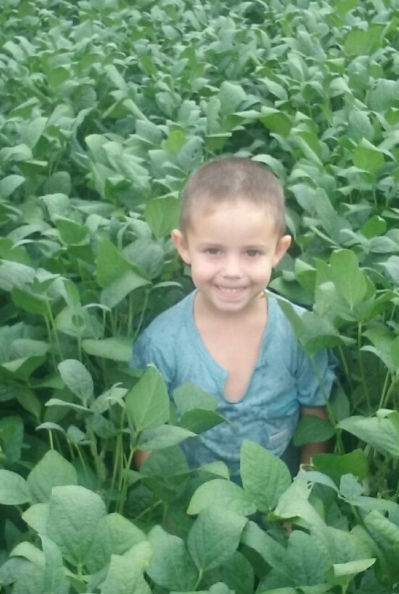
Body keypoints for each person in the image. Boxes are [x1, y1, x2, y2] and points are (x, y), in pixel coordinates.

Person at [131, 156, 336, 479]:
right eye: (213, 251)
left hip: (280, 508)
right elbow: (149, 436)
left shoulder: (301, 333)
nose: (232, 272)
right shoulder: (162, 343)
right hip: (192, 508)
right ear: (183, 247)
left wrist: (301, 502)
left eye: (252, 253)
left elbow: (315, 417)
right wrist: (172, 516)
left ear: (278, 252)